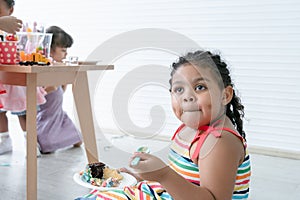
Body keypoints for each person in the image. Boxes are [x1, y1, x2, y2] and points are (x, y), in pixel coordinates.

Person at [76, 50, 251, 200]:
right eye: (179, 89)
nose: (187, 96)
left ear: (225, 95)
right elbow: (184, 181)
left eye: (199, 87)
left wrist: (163, 175)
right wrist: (140, 177)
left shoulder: (219, 141)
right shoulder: (189, 129)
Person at [0, 0, 47, 156]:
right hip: (2, 78)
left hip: (17, 78)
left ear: (10, 10)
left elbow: (26, 50)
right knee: (0, 112)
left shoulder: (16, 30)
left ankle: (31, 143)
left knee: (24, 112)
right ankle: (4, 140)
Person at [36, 26, 82, 153]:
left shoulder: (59, 68)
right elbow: (47, 90)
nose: (66, 53)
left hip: (59, 114)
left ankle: (57, 137)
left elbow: (62, 91)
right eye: (63, 50)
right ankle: (42, 140)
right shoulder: (45, 67)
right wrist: (56, 83)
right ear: (49, 50)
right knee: (47, 147)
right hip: (47, 116)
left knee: (79, 140)